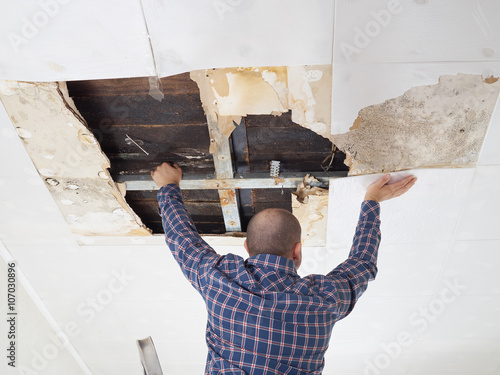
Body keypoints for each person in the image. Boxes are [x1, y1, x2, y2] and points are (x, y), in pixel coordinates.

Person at [151, 162, 417, 375]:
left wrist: (168, 185)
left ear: (247, 246)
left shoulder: (219, 279)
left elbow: (182, 239)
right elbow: (362, 263)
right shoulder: (324, 299)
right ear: (297, 251)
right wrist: (371, 200)